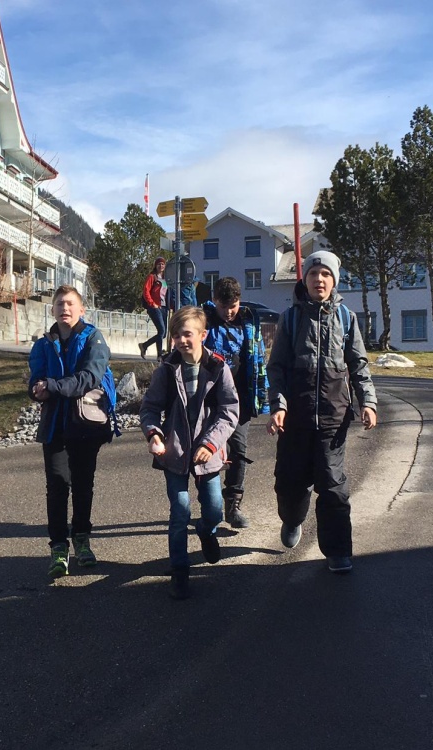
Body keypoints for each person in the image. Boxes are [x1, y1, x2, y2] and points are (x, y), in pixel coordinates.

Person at [266, 250, 378, 574]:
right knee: (290, 482)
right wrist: (279, 405)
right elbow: (277, 368)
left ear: (334, 281)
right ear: (305, 279)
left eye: (326, 274)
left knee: (332, 485)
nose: (319, 279)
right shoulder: (290, 319)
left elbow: (359, 365)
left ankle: (338, 551)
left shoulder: (346, 318)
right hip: (295, 419)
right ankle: (292, 518)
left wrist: (368, 402)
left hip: (333, 417)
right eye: (314, 274)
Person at [140, 305, 240, 600]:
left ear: (202, 335)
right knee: (180, 511)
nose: (181, 340)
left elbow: (229, 411)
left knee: (214, 509)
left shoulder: (219, 368)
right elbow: (149, 408)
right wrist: (154, 434)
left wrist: (210, 444)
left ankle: (207, 532)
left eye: (187, 334)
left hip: (208, 453)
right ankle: (180, 570)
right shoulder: (167, 370)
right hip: (174, 452)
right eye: (176, 335)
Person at [29, 285, 114, 578]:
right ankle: (58, 547)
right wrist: (36, 389)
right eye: (59, 304)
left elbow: (90, 377)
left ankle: (82, 539)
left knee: (82, 484)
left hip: (86, 425)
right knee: (56, 485)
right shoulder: (43, 343)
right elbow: (35, 377)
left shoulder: (93, 338)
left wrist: (52, 386)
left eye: (70, 304)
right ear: (53, 309)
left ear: (81, 310)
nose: (64, 308)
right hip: (55, 424)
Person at [203, 277, 269, 529]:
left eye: (233, 306)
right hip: (209, 401)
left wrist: (263, 397)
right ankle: (209, 504)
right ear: (215, 301)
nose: (229, 312)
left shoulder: (249, 321)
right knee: (208, 451)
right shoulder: (204, 321)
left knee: (239, 451)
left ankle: (233, 505)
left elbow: (259, 356)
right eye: (224, 307)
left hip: (241, 400)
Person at [139, 257, 169, 360]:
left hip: (164, 307)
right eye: (159, 264)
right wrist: (152, 303)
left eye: (163, 264)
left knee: (163, 334)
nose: (161, 266)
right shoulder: (152, 277)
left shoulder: (166, 278)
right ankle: (159, 355)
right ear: (155, 266)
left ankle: (144, 345)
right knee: (161, 331)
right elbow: (146, 291)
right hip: (155, 307)